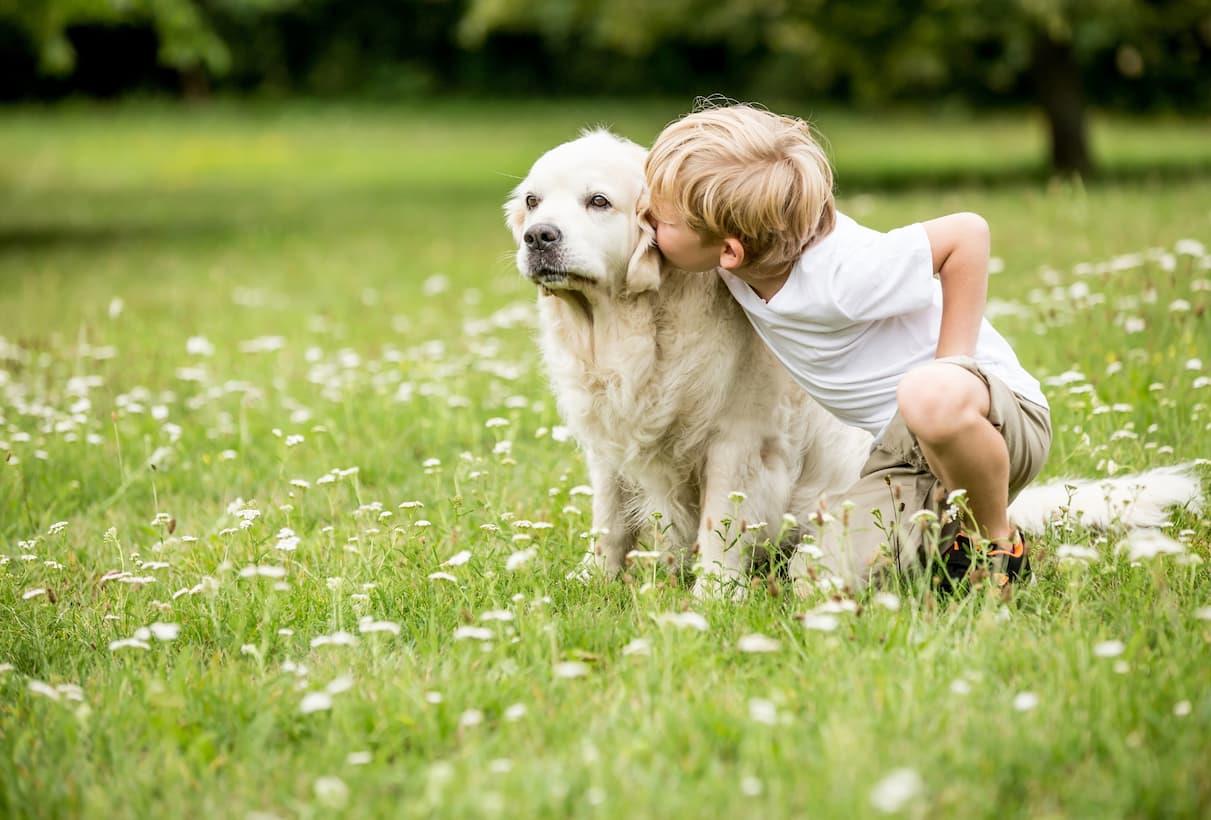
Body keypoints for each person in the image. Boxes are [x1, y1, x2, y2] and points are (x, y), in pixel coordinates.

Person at [644, 102, 1051, 588]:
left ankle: (996, 543)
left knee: (928, 395)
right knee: (819, 579)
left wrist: (954, 367)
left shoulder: (843, 274)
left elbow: (968, 234)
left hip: (994, 418)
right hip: (905, 452)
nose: (644, 218)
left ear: (729, 252)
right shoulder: (744, 263)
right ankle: (942, 543)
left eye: (660, 218)